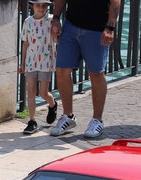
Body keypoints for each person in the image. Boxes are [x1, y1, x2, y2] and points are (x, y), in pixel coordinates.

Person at [49, 0, 121, 138]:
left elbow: (115, 2)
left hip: (97, 29)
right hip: (70, 26)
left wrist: (110, 27)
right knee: (62, 70)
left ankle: (97, 120)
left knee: (96, 73)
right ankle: (68, 116)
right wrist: (56, 18)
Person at [19, 0, 58, 134]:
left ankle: (52, 104)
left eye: (44, 6)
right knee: (31, 91)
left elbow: (57, 40)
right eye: (38, 5)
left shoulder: (52, 20)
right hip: (31, 60)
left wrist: (56, 35)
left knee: (43, 93)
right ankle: (32, 121)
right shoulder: (27, 21)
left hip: (46, 61)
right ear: (32, 6)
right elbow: (25, 43)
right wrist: (22, 63)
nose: (41, 8)